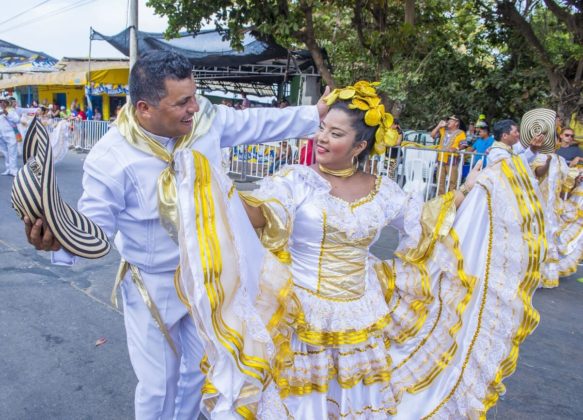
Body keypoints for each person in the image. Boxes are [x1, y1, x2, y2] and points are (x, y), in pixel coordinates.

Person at [172, 81, 547, 418]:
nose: (320, 138)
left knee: (355, 403)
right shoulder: (297, 180)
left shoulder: (383, 190)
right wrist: (213, 187)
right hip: (304, 315)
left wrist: (471, 191)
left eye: (334, 133)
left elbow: (429, 222)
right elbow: (259, 214)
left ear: (360, 145)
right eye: (321, 128)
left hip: (363, 315)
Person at [22, 50, 329, 420]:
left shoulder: (204, 124)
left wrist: (316, 115)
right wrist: (58, 241)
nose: (194, 108)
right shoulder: (110, 157)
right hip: (153, 286)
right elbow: (94, 228)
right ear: (145, 108)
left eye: (194, 96)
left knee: (200, 374)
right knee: (157, 386)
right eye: (182, 102)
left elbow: (257, 122)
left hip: (210, 278)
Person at [431, 114, 466, 194]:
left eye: (451, 119)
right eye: (448, 119)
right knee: (440, 182)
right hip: (441, 160)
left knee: (452, 183)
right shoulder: (443, 130)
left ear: (456, 123)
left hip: (452, 161)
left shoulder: (461, 133)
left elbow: (464, 145)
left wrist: (456, 148)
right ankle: (441, 201)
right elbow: (432, 135)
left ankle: (451, 203)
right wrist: (438, 126)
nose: (448, 121)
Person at [0, 96, 21, 176]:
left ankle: (14, 170)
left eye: (3, 101)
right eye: (0, 102)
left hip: (11, 135)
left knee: (12, 153)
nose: (1, 103)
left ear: (6, 103)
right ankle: (8, 169)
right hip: (1, 136)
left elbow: (17, 120)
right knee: (6, 153)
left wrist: (7, 114)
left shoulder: (11, 110)